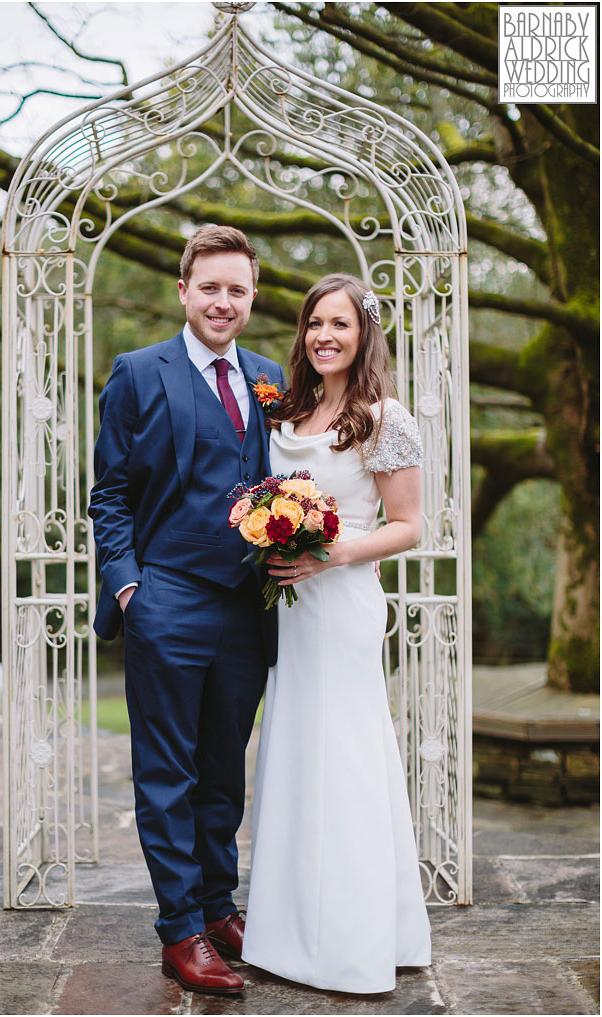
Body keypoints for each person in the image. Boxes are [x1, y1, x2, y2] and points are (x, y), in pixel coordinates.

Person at [89, 224, 283, 995]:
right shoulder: (139, 373)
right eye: (210, 287)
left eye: (237, 289)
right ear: (183, 290)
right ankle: (180, 930)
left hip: (246, 608)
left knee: (221, 769)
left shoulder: (270, 376)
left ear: (252, 296)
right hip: (166, 598)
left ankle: (217, 904)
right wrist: (131, 585)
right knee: (165, 771)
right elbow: (109, 493)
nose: (223, 302)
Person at [242, 273, 432, 991]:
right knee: (295, 757)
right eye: (315, 322)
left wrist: (334, 552)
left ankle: (352, 939)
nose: (325, 334)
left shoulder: (385, 417)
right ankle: (289, 934)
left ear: (363, 335)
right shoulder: (286, 412)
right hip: (289, 613)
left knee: (346, 759)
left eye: (340, 324)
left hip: (343, 602)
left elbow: (411, 525)